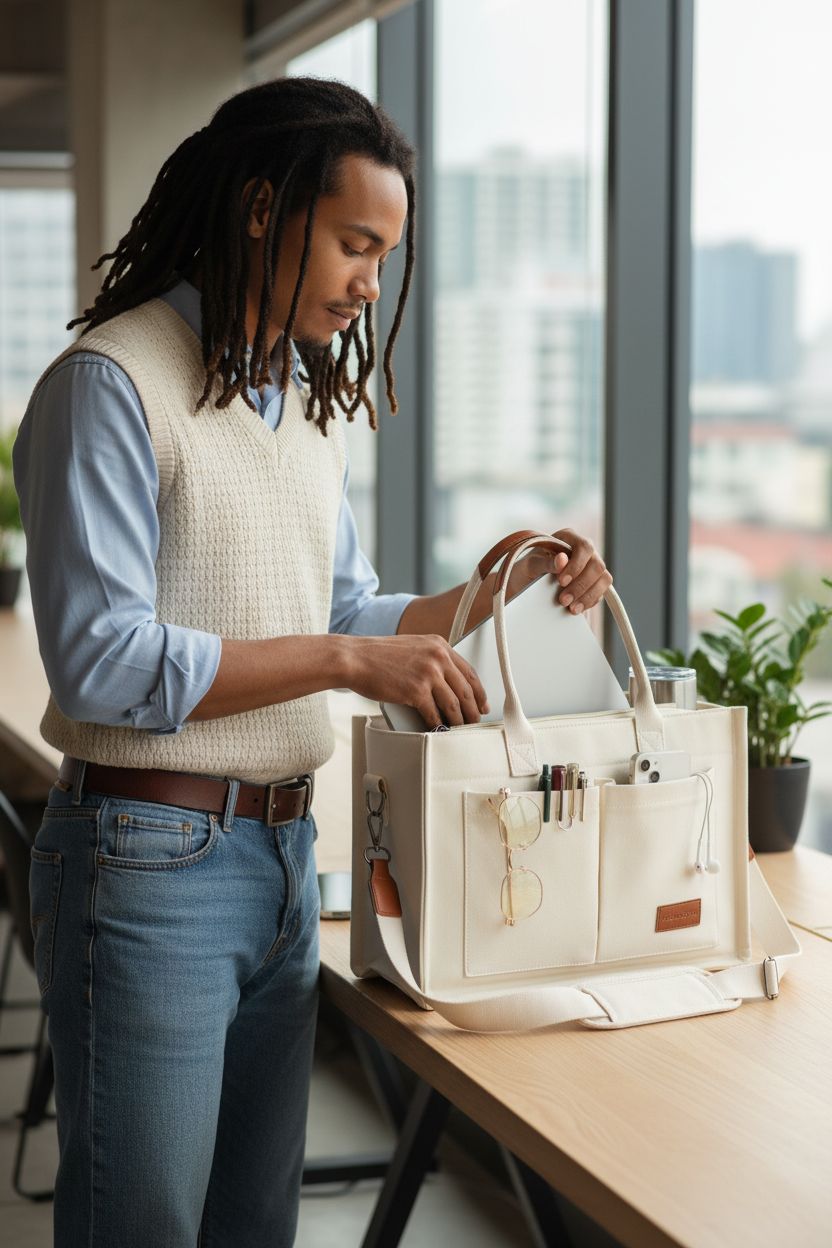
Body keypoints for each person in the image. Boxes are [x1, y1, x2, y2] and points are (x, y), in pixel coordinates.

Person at [13, 77, 612, 1247]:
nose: (370, 284)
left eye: (385, 255)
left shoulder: (302, 404)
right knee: (141, 1229)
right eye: (354, 244)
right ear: (259, 209)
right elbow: (99, 662)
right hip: (147, 862)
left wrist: (504, 584)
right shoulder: (111, 383)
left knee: (254, 1228)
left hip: (286, 857)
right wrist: (343, 659)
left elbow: (348, 611)